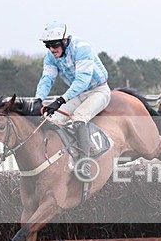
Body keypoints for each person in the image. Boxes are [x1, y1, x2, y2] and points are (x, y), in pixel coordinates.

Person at [34, 21, 110, 181]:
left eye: (54, 45)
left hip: (98, 90)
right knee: (51, 120)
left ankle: (85, 163)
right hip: (78, 94)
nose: (51, 49)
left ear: (65, 41)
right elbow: (47, 79)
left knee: (79, 117)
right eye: (47, 46)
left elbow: (83, 80)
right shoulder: (50, 57)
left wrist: (60, 100)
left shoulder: (82, 48)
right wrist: (39, 99)